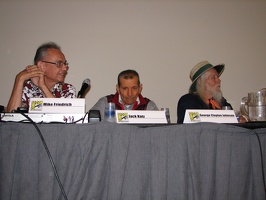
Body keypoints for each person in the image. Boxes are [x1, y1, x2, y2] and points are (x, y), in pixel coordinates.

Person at [7, 42, 76, 112]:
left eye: (65, 64)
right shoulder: (26, 88)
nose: (65, 68)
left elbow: (64, 116)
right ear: (42, 66)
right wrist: (19, 79)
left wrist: (43, 86)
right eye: (59, 64)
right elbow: (11, 117)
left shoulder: (67, 90)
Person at [91, 69, 159, 120]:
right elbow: (88, 128)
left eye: (134, 88)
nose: (130, 94)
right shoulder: (105, 103)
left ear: (140, 88)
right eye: (125, 89)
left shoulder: (149, 106)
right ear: (118, 88)